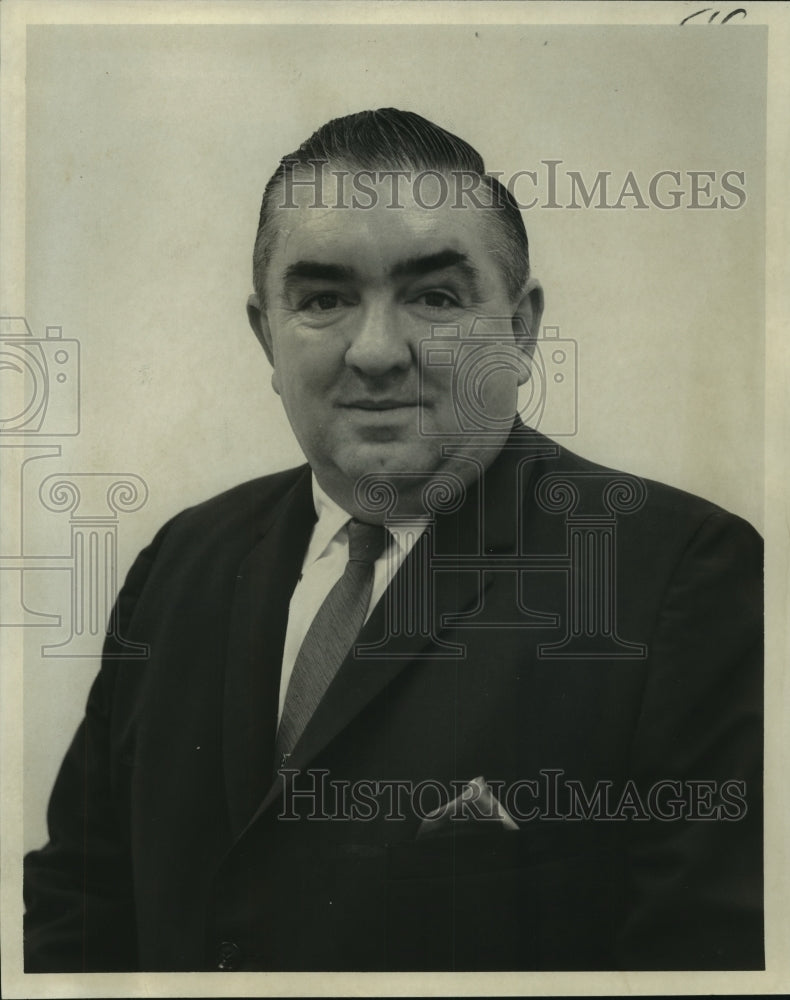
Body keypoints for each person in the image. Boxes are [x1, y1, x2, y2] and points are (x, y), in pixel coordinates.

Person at [23, 108, 763, 973]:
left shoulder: (681, 576)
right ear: (266, 335)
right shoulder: (181, 560)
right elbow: (78, 909)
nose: (376, 351)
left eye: (435, 297)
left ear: (520, 331)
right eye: (325, 299)